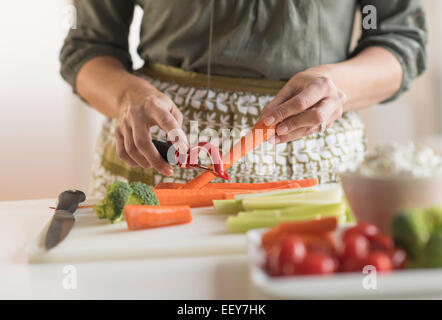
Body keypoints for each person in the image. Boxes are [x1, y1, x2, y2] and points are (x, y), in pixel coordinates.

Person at [60, 0, 427, 197]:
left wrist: (334, 83)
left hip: (315, 170)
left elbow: (400, 41)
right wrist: (127, 95)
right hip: (157, 154)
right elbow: (88, 46)